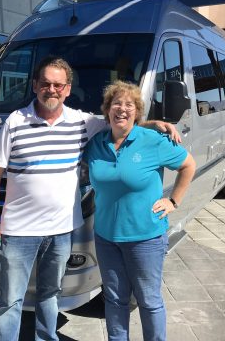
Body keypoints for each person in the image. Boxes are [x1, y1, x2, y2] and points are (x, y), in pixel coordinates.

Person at [0, 57, 181, 341]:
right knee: (10, 300)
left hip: (61, 231)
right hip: (19, 230)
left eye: (58, 85)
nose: (52, 90)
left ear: (68, 89)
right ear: (35, 86)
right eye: (46, 84)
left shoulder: (81, 122)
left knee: (51, 294)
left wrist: (153, 124)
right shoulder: (15, 121)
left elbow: (120, 121)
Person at [83, 81, 196, 341]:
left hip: (145, 237)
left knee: (148, 300)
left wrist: (173, 201)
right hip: (106, 237)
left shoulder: (153, 141)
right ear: (107, 110)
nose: (122, 109)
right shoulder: (96, 143)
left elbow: (188, 165)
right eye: (116, 104)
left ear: (137, 112)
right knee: (114, 298)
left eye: (129, 105)